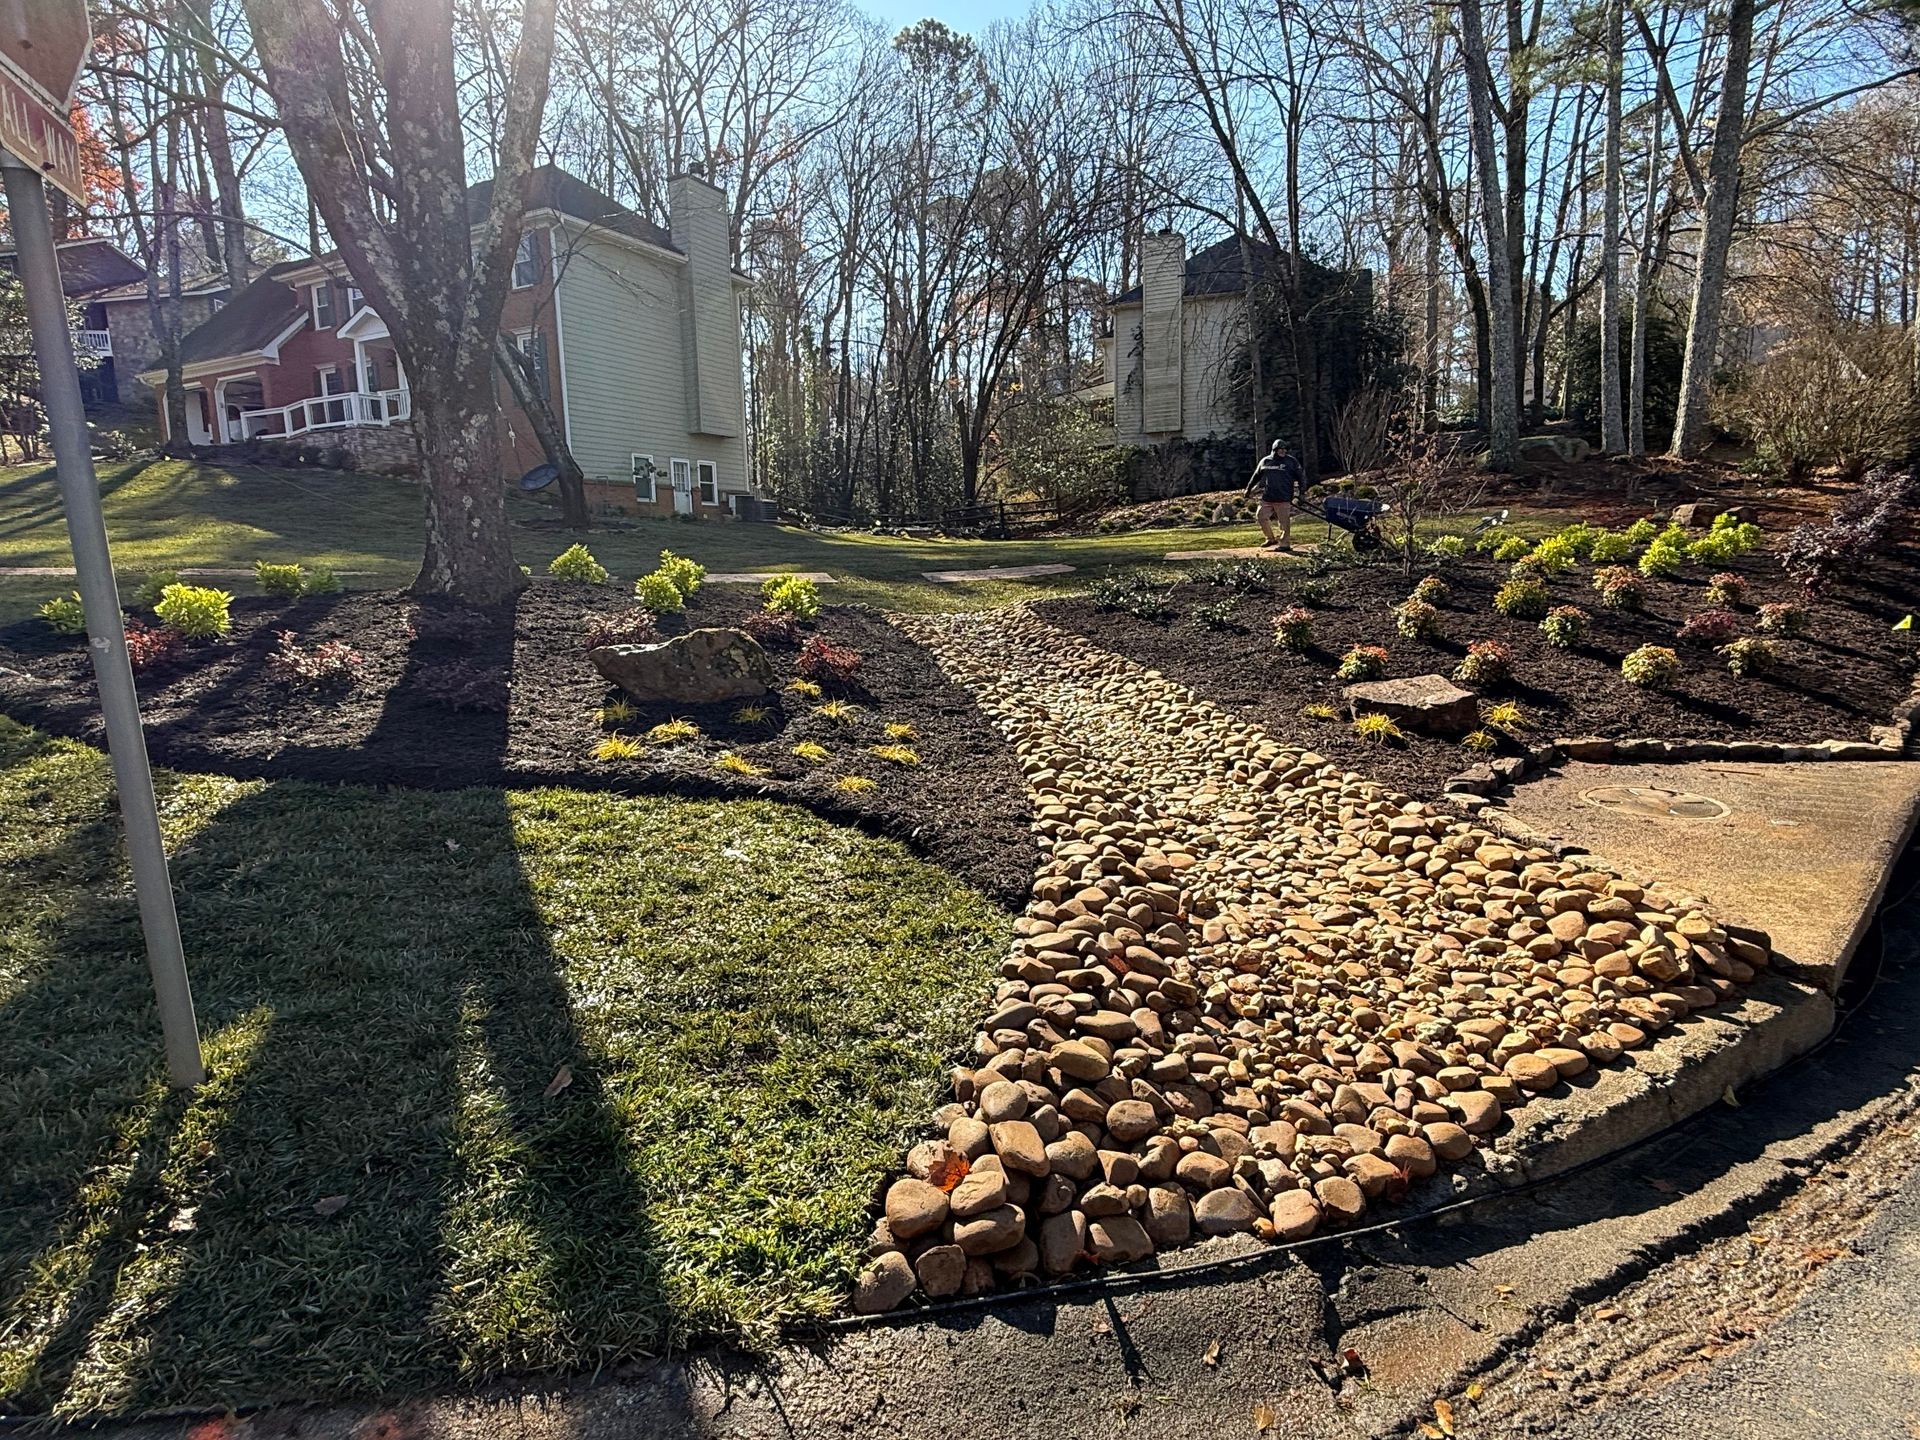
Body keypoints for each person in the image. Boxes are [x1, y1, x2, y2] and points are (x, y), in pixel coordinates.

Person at [1244, 438, 1303, 550]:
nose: (1283, 451)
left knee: (1284, 522)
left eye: (1285, 449)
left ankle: (1284, 544)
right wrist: (1248, 489)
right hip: (1268, 497)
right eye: (1280, 449)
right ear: (1274, 450)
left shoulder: (1291, 461)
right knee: (1260, 516)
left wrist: (1302, 492)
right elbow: (1256, 476)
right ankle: (1270, 539)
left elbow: (1301, 477)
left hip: (1284, 496)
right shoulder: (1265, 461)